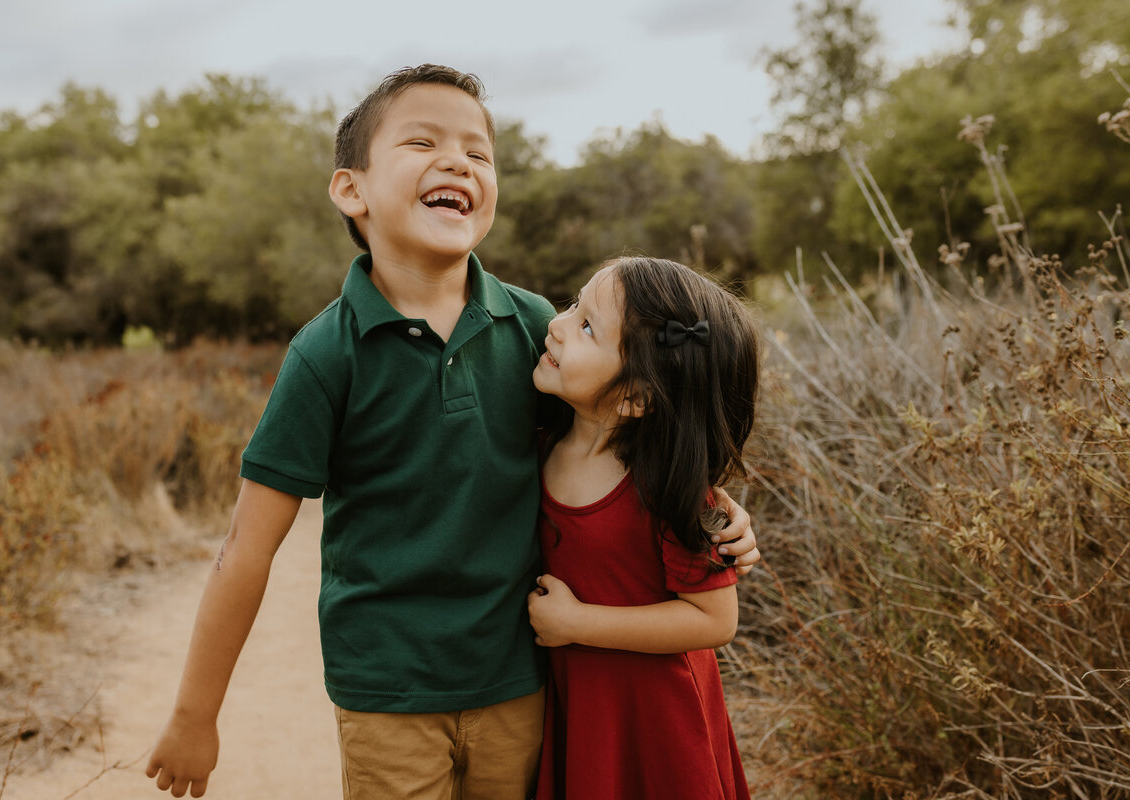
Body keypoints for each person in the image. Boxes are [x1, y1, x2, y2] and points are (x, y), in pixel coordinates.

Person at [146, 65, 761, 799]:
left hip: (522, 679)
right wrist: (195, 714)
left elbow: (636, 425)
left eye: (479, 151)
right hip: (389, 690)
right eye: (423, 141)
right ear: (353, 189)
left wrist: (718, 511)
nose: (457, 161)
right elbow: (245, 549)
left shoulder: (537, 328)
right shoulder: (327, 355)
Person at [527, 255, 759, 799]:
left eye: (585, 326)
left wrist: (579, 623)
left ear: (635, 397)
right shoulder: (537, 442)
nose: (556, 325)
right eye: (571, 306)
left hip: (658, 716)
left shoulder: (668, 493)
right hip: (580, 701)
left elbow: (713, 621)